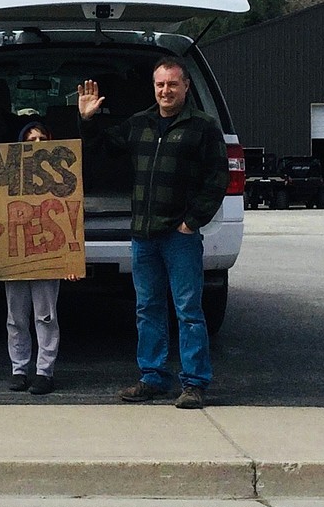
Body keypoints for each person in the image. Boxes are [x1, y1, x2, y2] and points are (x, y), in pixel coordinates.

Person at [77, 58, 229, 409]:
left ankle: (194, 383)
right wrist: (87, 120)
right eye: (160, 84)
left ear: (186, 86)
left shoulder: (203, 127)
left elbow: (217, 179)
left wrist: (192, 221)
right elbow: (100, 150)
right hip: (143, 235)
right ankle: (153, 378)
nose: (165, 91)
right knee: (148, 308)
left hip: (180, 237)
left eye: (172, 84)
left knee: (188, 309)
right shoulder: (139, 124)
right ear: (154, 86)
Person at [4, 120, 75, 396]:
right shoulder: (8, 179)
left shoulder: (61, 181)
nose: (36, 145)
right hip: (15, 255)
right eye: (30, 140)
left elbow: (71, 214)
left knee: (46, 316)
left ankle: (45, 371)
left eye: (42, 139)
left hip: (48, 254)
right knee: (15, 317)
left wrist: (70, 258)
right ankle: (19, 369)